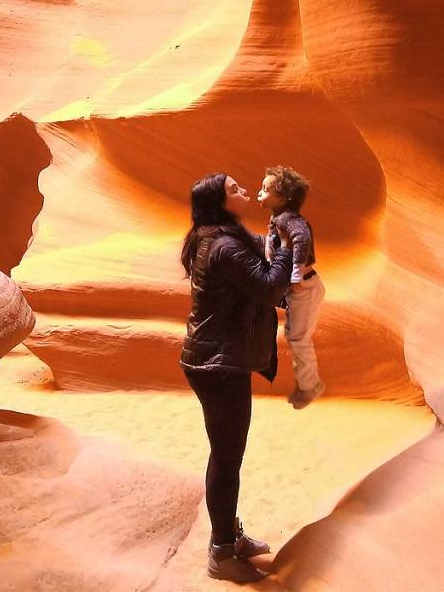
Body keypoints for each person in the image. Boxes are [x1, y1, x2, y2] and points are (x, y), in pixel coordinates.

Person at [179, 172, 293, 582]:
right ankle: (222, 553)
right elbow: (266, 288)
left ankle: (229, 536)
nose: (244, 191)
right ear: (219, 202)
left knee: (229, 455)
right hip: (216, 366)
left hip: (217, 361)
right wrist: (283, 249)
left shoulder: (220, 235)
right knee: (226, 459)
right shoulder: (224, 245)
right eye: (234, 189)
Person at [257, 165, 326, 409]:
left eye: (266, 190)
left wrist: (295, 274)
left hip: (305, 288)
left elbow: (302, 238)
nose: (259, 193)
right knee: (295, 336)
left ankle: (310, 387)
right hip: (298, 289)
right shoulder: (278, 217)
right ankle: (307, 385)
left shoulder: (290, 220)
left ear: (283, 197)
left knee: (299, 338)